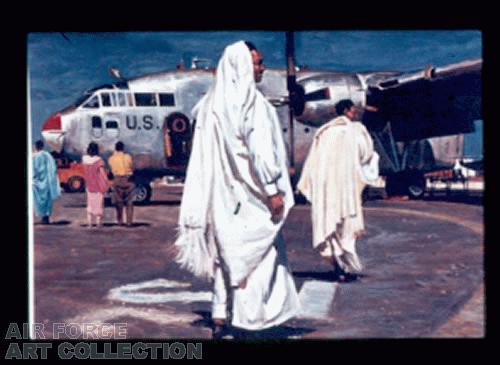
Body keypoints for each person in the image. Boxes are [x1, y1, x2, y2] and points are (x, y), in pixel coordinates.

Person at [174, 40, 300, 338]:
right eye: (257, 63)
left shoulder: (209, 105)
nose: (262, 68)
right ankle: (249, 321)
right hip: (251, 196)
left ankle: (220, 315)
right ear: (242, 66)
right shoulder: (252, 103)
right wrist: (272, 190)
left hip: (221, 196)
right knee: (255, 257)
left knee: (225, 254)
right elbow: (260, 151)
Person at [297, 99, 379, 282]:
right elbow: (366, 153)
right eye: (353, 110)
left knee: (330, 226)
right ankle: (344, 266)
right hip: (347, 187)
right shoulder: (356, 130)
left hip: (328, 188)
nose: (356, 113)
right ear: (348, 111)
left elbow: (313, 161)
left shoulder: (324, 133)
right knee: (346, 226)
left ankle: (338, 266)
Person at [32, 140, 61, 224]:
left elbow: (34, 169)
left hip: (37, 182)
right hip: (47, 181)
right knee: (47, 200)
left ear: (36, 147)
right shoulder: (48, 155)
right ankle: (46, 217)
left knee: (38, 199)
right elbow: (53, 168)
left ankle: (41, 215)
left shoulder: (35, 156)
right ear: (42, 146)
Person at [82, 142, 109, 228]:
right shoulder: (99, 161)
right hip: (98, 186)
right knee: (99, 205)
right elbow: (102, 174)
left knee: (90, 204)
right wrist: (106, 182)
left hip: (89, 185)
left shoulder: (84, 160)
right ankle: (98, 223)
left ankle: (89, 223)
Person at [108, 141, 135, 226]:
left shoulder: (111, 158)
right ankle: (129, 221)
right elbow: (132, 167)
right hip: (128, 179)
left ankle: (120, 221)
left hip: (117, 179)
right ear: (123, 148)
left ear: (115, 148)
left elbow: (110, 169)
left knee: (118, 202)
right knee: (129, 202)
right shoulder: (128, 157)